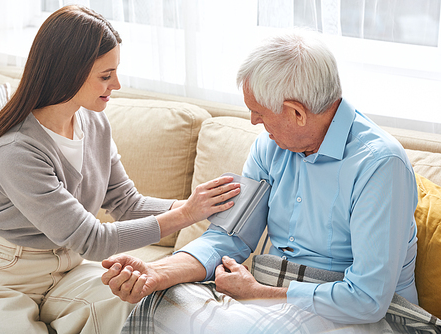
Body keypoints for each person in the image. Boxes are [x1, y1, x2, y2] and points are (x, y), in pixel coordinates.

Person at [101, 29, 419, 331]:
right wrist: (158, 273)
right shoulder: (270, 147)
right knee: (162, 301)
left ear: (297, 112)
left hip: (367, 316)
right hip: (275, 297)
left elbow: (368, 299)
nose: (254, 121)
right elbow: (230, 237)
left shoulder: (380, 164)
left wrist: (258, 293)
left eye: (260, 112)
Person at [0, 5, 241, 334]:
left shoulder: (94, 123)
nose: (116, 84)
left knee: (150, 304)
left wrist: (201, 206)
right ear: (68, 73)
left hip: (68, 270)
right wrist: (185, 214)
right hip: (2, 279)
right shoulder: (16, 149)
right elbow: (92, 240)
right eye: (106, 75)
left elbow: (126, 202)